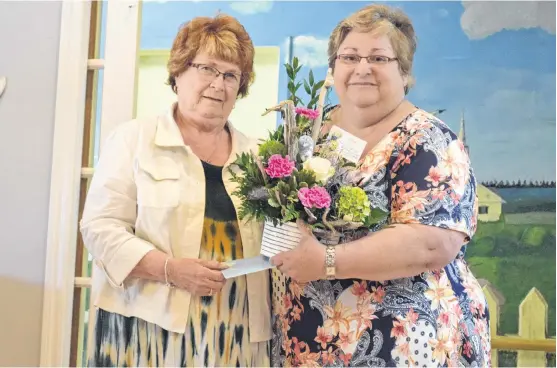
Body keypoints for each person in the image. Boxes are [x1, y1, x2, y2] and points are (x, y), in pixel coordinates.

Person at [271, 4, 491, 367]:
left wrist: (326, 261)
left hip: (407, 345)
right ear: (334, 67)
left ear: (404, 72)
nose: (362, 68)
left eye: (378, 58)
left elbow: (431, 244)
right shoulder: (312, 133)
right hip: (311, 341)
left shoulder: (429, 139)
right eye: (350, 56)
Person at [80, 14, 271, 367]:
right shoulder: (133, 140)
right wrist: (170, 269)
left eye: (231, 75)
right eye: (208, 69)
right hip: (145, 329)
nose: (219, 84)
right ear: (179, 72)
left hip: (235, 333)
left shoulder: (259, 157)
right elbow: (100, 228)